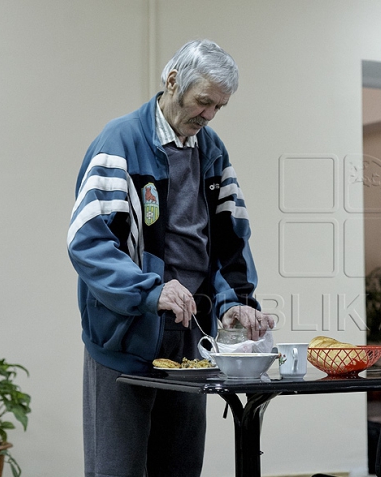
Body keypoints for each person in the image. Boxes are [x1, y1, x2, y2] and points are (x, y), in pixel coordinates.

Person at [67, 39, 275, 477]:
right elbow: (89, 241)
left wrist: (235, 300)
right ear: (173, 80)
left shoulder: (212, 150)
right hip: (125, 340)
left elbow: (229, 242)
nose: (210, 115)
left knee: (180, 468)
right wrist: (150, 290)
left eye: (220, 106)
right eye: (204, 102)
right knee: (118, 470)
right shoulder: (119, 143)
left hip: (188, 344)